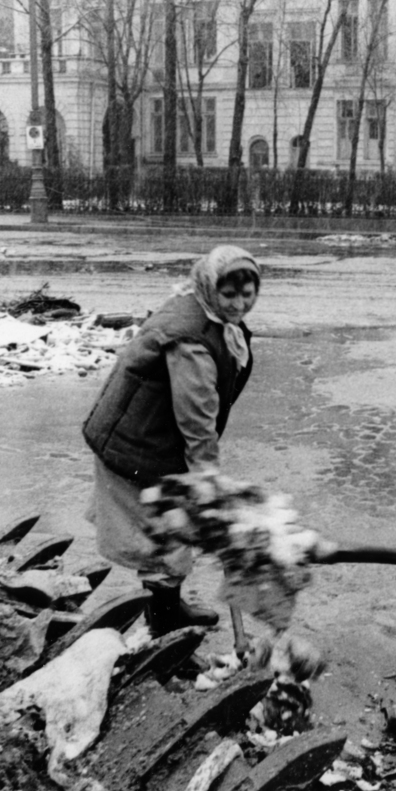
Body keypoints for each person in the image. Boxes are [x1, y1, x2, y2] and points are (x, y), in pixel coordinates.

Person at [83, 245, 260, 636]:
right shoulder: (191, 344)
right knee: (166, 540)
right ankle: (163, 629)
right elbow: (197, 424)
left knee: (171, 532)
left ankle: (168, 609)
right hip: (139, 448)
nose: (239, 305)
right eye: (230, 294)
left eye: (247, 294)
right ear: (210, 287)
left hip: (149, 435)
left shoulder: (202, 308)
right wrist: (208, 485)